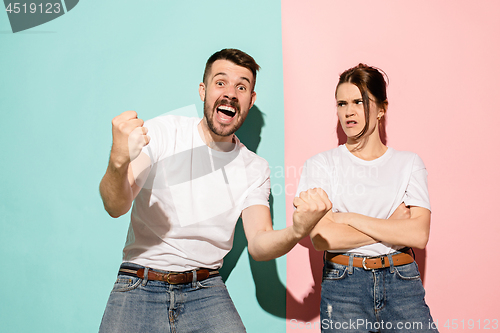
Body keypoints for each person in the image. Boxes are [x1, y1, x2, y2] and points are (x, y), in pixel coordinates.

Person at [98, 48, 331, 333]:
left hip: (205, 290)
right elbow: (115, 206)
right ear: (203, 90)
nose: (230, 93)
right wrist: (118, 161)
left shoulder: (254, 168)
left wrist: (297, 231)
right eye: (221, 83)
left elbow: (258, 243)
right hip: (140, 281)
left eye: (241, 87)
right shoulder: (163, 132)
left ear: (251, 100)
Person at [296, 64, 438, 332]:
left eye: (359, 102)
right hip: (344, 285)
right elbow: (323, 238)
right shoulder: (321, 165)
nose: (348, 111)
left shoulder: (409, 163)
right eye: (341, 103)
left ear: (382, 108)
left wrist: (347, 218)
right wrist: (393, 227)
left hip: (401, 280)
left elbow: (418, 235)